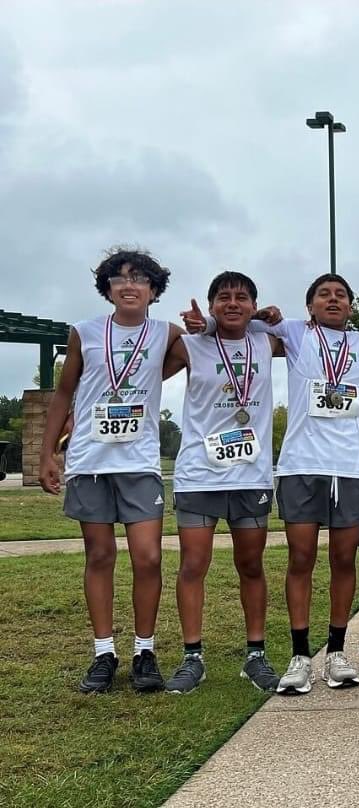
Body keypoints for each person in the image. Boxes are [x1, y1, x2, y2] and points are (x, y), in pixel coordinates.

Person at [183, 273, 359, 695]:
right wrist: (208, 323)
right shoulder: (292, 332)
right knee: (300, 559)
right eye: (323, 294)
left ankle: (337, 653)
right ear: (309, 306)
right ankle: (300, 656)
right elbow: (240, 322)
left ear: (351, 306)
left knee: (344, 560)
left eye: (340, 295)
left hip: (351, 468)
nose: (332, 300)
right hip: (299, 466)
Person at [39, 247, 181, 693]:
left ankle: (144, 651)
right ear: (107, 288)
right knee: (99, 556)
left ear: (154, 290)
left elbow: (205, 342)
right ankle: (104, 653)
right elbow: (64, 393)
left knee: (148, 557)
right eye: (120, 278)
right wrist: (47, 453)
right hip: (90, 461)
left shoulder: (166, 333)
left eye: (139, 278)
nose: (129, 285)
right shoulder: (84, 332)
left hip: (139, 463)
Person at [161, 271, 282, 694]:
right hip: (199, 474)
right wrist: (206, 326)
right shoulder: (190, 345)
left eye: (242, 298)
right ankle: (192, 658)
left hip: (251, 475)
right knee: (193, 565)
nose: (233, 303)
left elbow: (308, 333)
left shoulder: (267, 342)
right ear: (211, 305)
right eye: (224, 298)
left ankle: (256, 656)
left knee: (251, 564)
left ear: (253, 306)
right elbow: (146, 376)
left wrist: (269, 317)